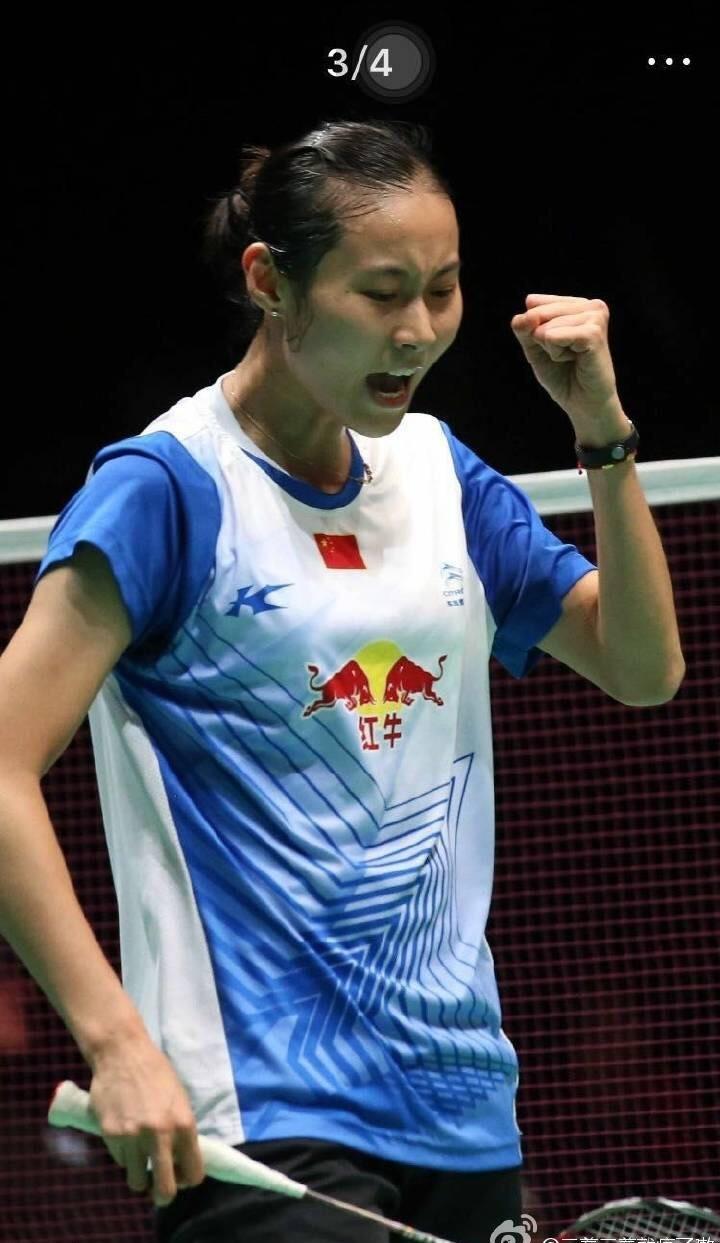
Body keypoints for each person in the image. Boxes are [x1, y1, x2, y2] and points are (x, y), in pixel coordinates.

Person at [0, 118, 684, 1243]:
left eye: (444, 290)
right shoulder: (170, 487)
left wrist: (602, 437)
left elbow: (642, 667)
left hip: (463, 1110)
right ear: (271, 281)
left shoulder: (439, 473)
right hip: (262, 1118)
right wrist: (116, 1040)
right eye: (381, 293)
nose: (418, 331)